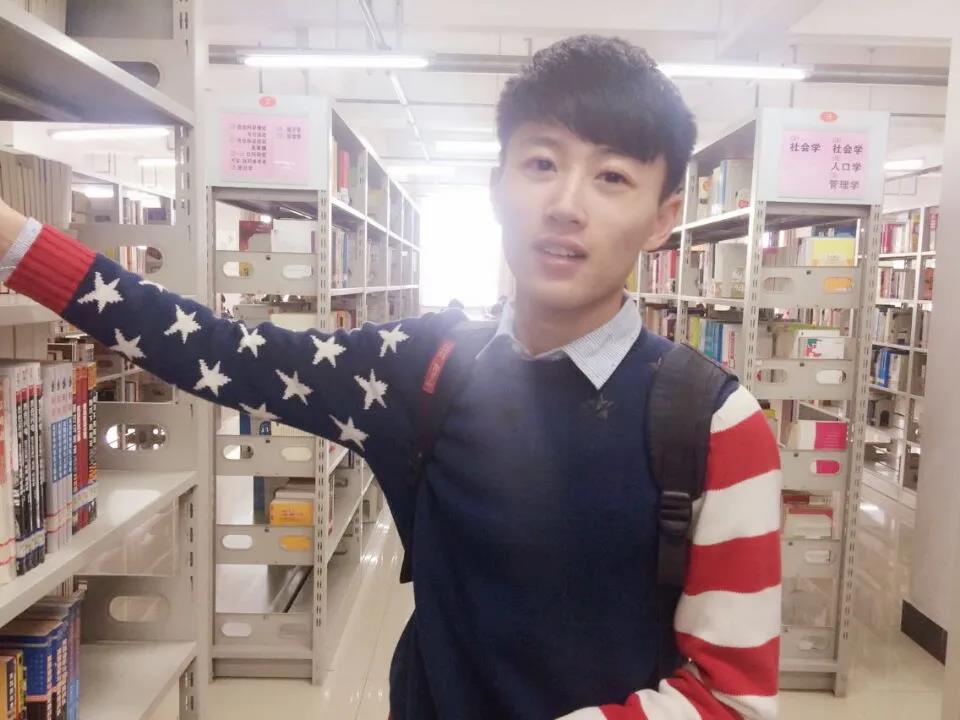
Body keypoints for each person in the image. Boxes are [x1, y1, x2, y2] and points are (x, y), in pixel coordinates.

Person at [0, 35, 781, 720]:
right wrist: (13, 241)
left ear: (662, 217)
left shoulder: (714, 422)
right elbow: (216, 348)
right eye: (541, 163)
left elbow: (730, 696)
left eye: (612, 177)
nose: (566, 205)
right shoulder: (425, 366)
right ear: (497, 186)